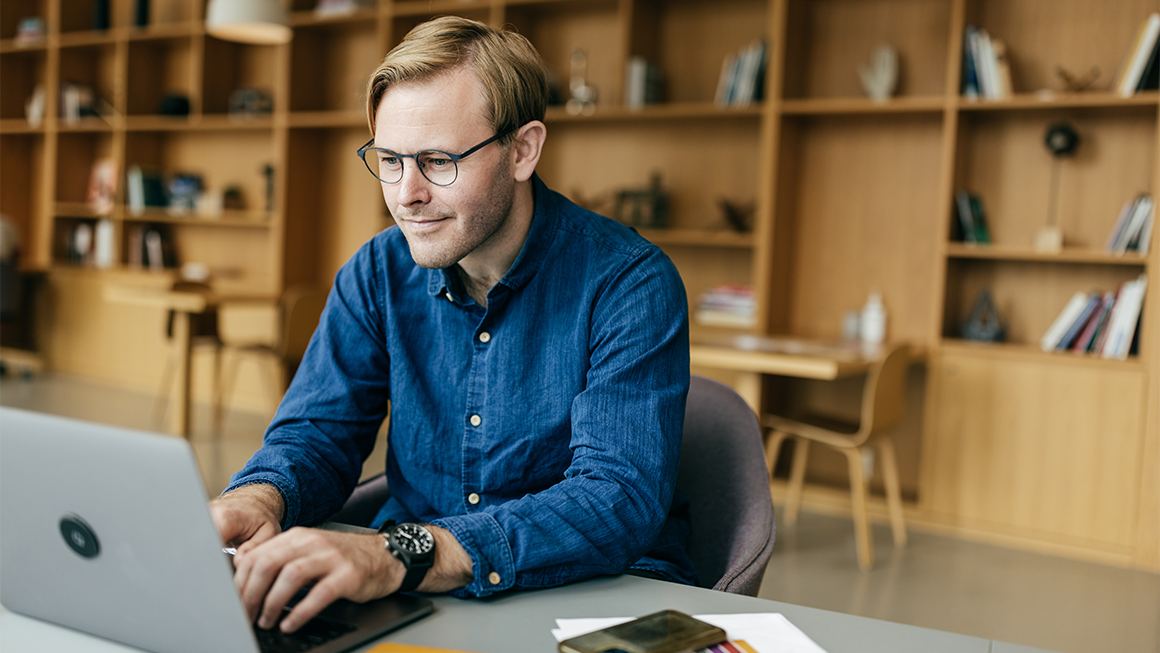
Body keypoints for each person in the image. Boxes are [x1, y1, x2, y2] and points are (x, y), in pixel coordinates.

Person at [210, 15, 693, 635]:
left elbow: (615, 498)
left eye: (438, 160)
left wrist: (404, 553)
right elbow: (317, 431)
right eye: (389, 160)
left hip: (590, 593)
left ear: (523, 150)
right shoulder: (377, 273)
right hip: (416, 592)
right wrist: (259, 496)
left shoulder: (630, 282)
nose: (407, 194)